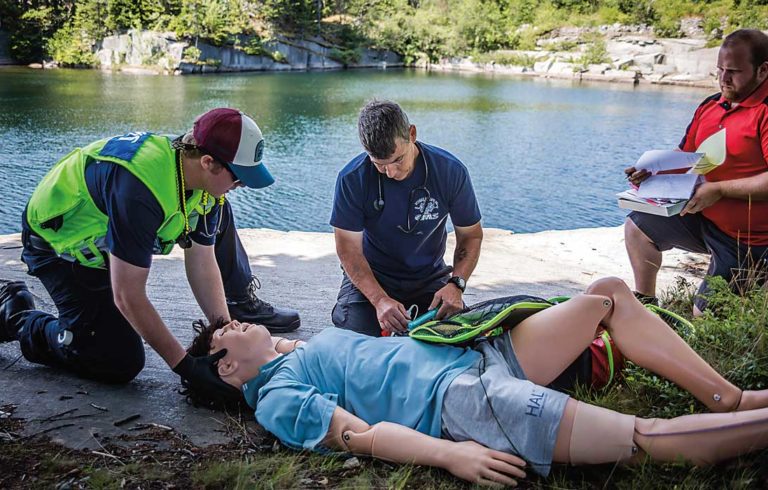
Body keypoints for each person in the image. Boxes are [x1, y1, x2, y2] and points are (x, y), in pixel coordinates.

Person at [186, 277, 768, 486]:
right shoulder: (278, 399)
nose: (230, 323)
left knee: (607, 295)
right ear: (229, 370)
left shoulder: (296, 354)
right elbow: (360, 435)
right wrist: (449, 456)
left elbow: (367, 369)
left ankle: (729, 398)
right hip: (464, 400)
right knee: (641, 437)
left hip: (478, 356)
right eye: (223, 335)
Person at [0, 108, 299, 399]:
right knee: (116, 361)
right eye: (239, 178)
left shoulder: (199, 177)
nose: (241, 185)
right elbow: (128, 295)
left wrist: (224, 331)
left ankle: (240, 301)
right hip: (59, 249)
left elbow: (202, 260)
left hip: (107, 249)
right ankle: (17, 315)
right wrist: (185, 366)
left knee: (222, 209)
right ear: (209, 162)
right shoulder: (141, 187)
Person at [625, 29, 768, 315]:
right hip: (704, 221)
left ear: (763, 70)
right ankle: (647, 308)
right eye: (720, 70)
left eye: (734, 72)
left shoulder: (764, 111)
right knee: (637, 227)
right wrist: (651, 170)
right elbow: (687, 156)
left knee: (702, 318)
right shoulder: (711, 105)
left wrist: (719, 189)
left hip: (751, 241)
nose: (724, 79)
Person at [330, 100, 483, 336]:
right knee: (355, 341)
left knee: (457, 338)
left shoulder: (450, 171)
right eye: (379, 165)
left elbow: (470, 236)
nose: (391, 173)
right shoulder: (352, 178)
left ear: (412, 133)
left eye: (398, 160)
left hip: (428, 278)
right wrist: (380, 300)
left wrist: (456, 284)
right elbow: (348, 250)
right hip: (373, 277)